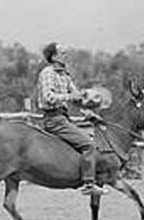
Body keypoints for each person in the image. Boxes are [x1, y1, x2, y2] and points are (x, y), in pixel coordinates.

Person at [35, 42, 106, 195]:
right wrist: (71, 96)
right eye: (63, 53)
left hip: (63, 118)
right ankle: (88, 183)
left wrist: (88, 102)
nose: (67, 56)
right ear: (53, 57)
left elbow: (77, 97)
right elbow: (48, 98)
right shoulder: (47, 73)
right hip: (54, 119)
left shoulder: (64, 75)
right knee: (89, 145)